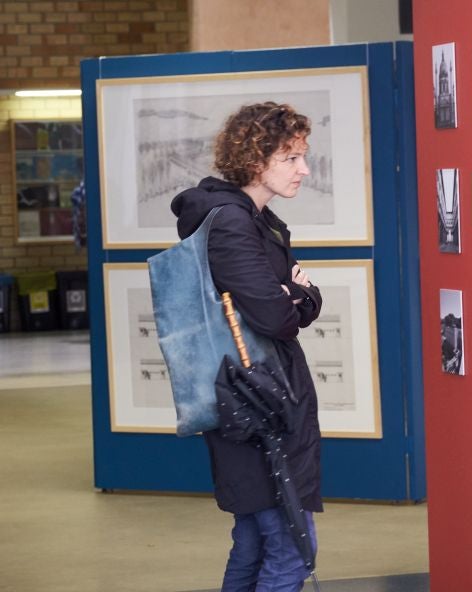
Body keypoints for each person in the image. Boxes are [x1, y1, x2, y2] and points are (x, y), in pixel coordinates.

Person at [171, 102, 323, 592]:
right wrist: (300, 292)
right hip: (256, 404)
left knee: (257, 541)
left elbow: (284, 306)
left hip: (247, 397)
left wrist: (295, 297)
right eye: (292, 158)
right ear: (256, 160)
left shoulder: (251, 217)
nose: (304, 169)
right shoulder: (233, 223)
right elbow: (278, 315)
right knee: (292, 547)